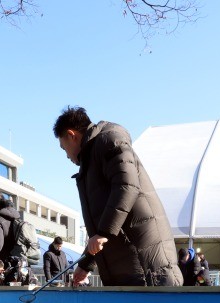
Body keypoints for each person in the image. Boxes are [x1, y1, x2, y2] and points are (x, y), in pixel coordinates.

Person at [52, 106, 181, 287]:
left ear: (72, 135)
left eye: (63, 147)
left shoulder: (109, 141)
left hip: (147, 266)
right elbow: (101, 229)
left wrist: (103, 233)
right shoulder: (90, 164)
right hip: (128, 266)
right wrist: (86, 264)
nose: (65, 155)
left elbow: (127, 185)